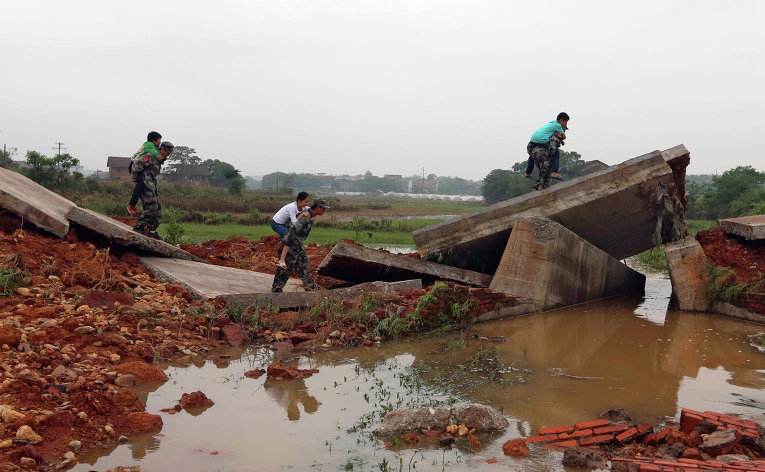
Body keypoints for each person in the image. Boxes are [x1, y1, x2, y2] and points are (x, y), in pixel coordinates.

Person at [271, 198, 331, 293]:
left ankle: (309, 285)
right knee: (287, 266)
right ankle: (276, 287)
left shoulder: (310, 215)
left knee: (304, 261)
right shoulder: (305, 218)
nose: (324, 210)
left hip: (296, 244)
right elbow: (292, 229)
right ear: (318, 207)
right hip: (289, 243)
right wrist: (284, 241)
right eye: (323, 208)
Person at [132, 141, 174, 239]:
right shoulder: (151, 156)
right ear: (162, 149)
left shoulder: (160, 158)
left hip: (152, 186)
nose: (168, 154)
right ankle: (139, 226)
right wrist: (134, 180)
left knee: (158, 210)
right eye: (167, 152)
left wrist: (164, 157)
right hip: (144, 185)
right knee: (151, 208)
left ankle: (151, 231)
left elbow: (162, 159)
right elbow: (136, 165)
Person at [526, 112, 570, 190]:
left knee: (542, 172)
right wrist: (551, 156)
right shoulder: (558, 128)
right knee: (554, 156)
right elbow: (556, 143)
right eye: (565, 125)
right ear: (561, 121)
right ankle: (554, 173)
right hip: (542, 152)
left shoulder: (550, 125)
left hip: (532, 145)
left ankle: (532, 181)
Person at [127, 131, 162, 216]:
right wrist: (160, 157)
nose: (160, 142)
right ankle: (131, 205)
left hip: (139, 167)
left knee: (148, 184)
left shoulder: (151, 145)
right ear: (154, 140)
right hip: (134, 166)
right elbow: (157, 154)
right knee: (141, 184)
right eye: (159, 140)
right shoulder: (149, 145)